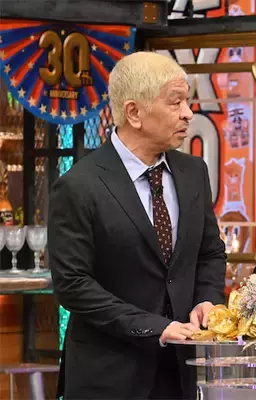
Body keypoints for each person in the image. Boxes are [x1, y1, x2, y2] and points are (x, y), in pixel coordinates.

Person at [49, 51, 226, 399]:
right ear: (134, 112)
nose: (188, 113)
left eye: (187, 102)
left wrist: (208, 300)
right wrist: (156, 327)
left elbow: (210, 252)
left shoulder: (193, 172)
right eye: (175, 102)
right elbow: (72, 285)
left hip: (182, 372)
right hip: (109, 377)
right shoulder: (79, 185)